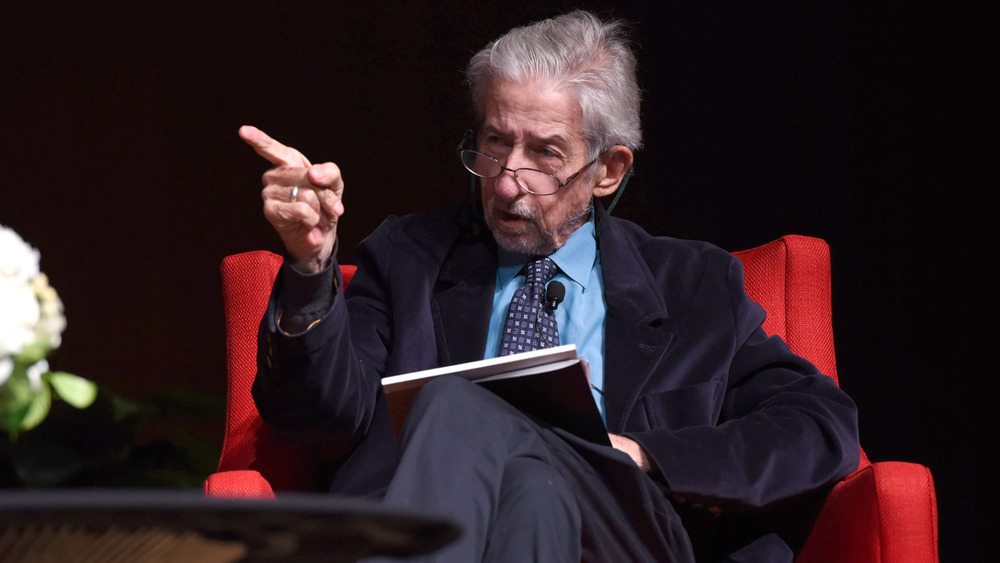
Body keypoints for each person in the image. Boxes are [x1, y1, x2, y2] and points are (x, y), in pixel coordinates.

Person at [241, 10, 859, 562]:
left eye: (545, 154)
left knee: (459, 404)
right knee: (525, 481)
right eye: (494, 143)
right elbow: (313, 418)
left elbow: (819, 425)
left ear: (608, 171)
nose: (508, 182)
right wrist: (309, 265)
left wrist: (646, 454)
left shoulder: (692, 286)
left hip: (622, 536)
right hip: (467, 522)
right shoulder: (408, 258)